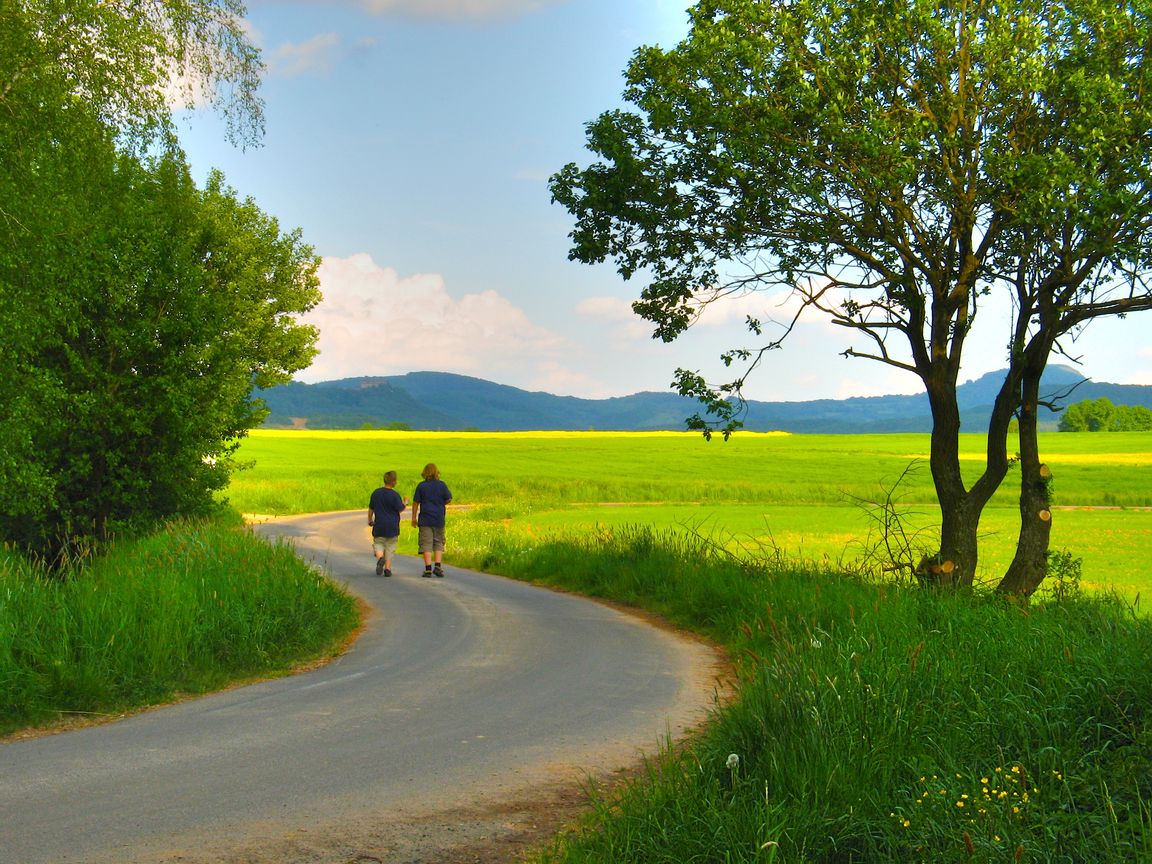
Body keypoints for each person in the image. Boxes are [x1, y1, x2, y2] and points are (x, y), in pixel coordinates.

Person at [411, 462, 452, 577]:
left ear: (425, 473)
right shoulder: (442, 485)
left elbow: (415, 503)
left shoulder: (421, 486)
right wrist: (440, 503)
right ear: (436, 472)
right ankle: (438, 566)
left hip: (425, 518)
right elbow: (449, 499)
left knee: (426, 543)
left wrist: (413, 518)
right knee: (438, 541)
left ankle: (428, 569)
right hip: (439, 518)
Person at [368, 470, 406, 577]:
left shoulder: (376, 493)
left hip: (379, 525)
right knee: (390, 547)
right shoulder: (395, 495)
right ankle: (388, 569)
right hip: (392, 526)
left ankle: (380, 558)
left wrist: (370, 519)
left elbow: (371, 508)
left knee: (378, 543)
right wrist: (405, 503)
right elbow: (400, 508)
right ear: (394, 482)